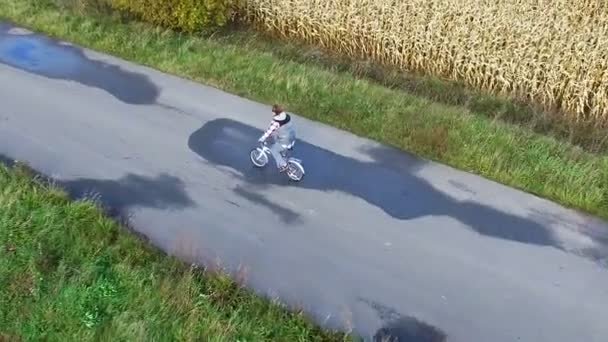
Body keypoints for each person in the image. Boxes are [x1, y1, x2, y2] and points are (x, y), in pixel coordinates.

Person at [258, 104, 296, 172]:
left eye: (273, 111)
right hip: (292, 137)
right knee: (276, 138)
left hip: (285, 141)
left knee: (273, 149)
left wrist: (262, 138)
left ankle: (284, 165)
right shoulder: (287, 117)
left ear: (276, 113)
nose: (272, 112)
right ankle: (284, 155)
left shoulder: (276, 123)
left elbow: (269, 131)